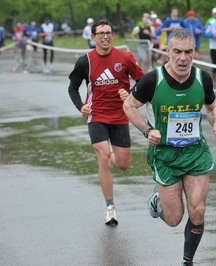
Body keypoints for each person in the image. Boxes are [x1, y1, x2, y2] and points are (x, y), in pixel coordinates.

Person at [123, 28, 216, 266]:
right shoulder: (152, 80)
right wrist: (147, 131)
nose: (183, 58)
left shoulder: (203, 78)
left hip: (195, 153)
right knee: (173, 219)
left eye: (188, 52)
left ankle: (187, 261)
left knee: (198, 210)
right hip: (165, 155)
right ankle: (156, 200)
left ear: (194, 52)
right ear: (167, 51)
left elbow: (212, 108)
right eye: (177, 52)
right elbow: (129, 106)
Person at [68, 19, 145, 225]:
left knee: (122, 164)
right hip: (97, 116)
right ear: (93, 37)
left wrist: (129, 94)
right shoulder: (85, 61)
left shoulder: (125, 57)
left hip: (120, 116)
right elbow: (72, 88)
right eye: (100, 33)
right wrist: (80, 107)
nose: (105, 36)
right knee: (103, 158)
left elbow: (144, 81)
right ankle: (110, 208)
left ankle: (112, 156)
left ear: (113, 35)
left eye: (108, 32)